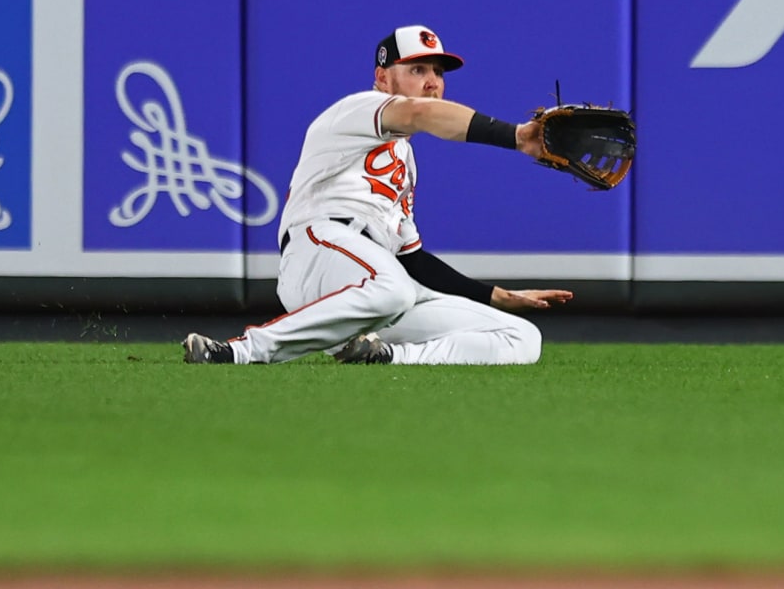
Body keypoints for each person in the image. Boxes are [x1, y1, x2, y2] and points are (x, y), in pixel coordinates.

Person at [183, 25, 573, 366]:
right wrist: (516, 136)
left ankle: (385, 356)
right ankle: (240, 350)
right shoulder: (358, 108)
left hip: (375, 283)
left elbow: (412, 257)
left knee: (521, 337)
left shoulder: (405, 156)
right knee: (393, 288)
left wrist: (497, 296)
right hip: (319, 252)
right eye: (417, 69)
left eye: (438, 71)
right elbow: (420, 113)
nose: (432, 81)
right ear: (382, 77)